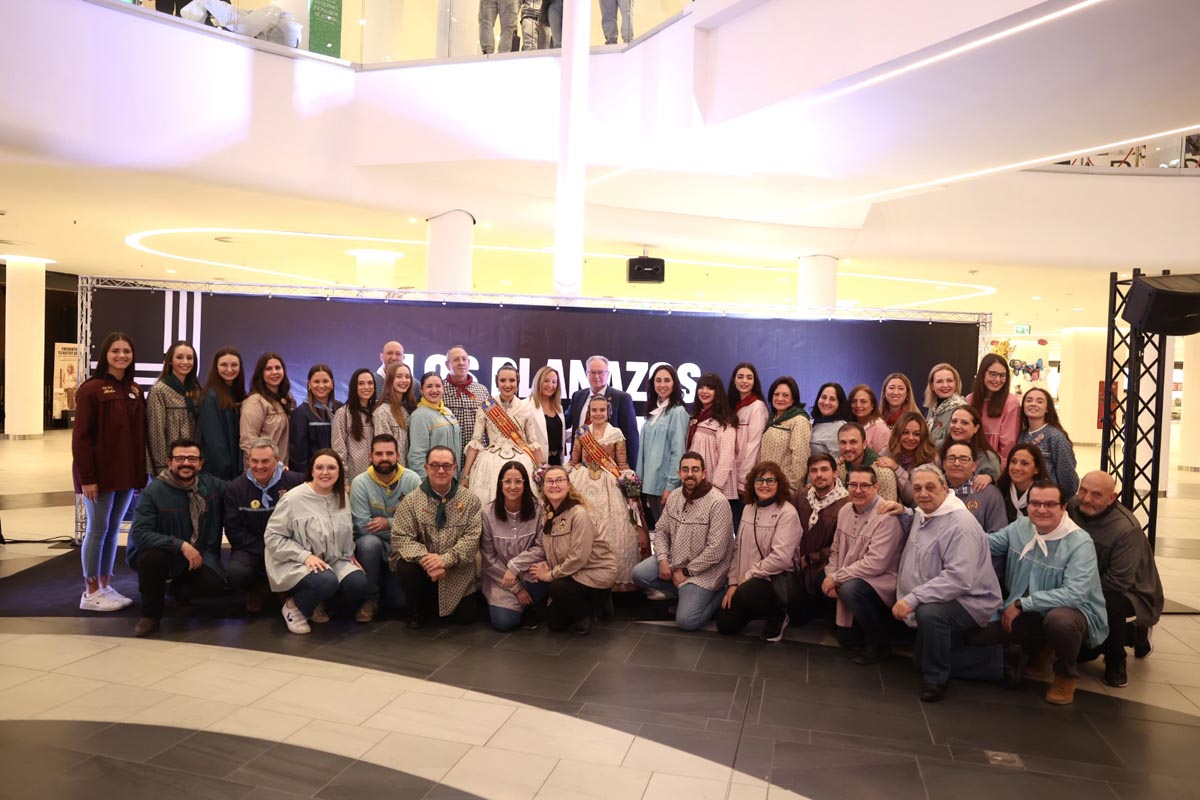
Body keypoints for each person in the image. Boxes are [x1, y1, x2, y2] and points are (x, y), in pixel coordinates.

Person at [980, 481, 1108, 705]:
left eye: (1050, 504)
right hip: (1026, 609)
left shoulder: (1080, 543)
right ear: (1027, 506)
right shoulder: (1020, 527)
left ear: (1063, 508)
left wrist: (1022, 604)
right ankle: (1039, 647)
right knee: (977, 635)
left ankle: (1066, 675)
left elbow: (1074, 594)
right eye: (1035, 503)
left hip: (1072, 613)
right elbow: (986, 543)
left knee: (1059, 621)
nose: (1041, 510)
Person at [893, 464, 1003, 702]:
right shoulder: (925, 512)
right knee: (919, 660)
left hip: (971, 600)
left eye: (930, 487)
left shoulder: (960, 524)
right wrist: (903, 511)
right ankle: (995, 663)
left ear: (945, 488)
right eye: (918, 488)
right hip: (946, 595)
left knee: (931, 615)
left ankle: (936, 679)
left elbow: (959, 579)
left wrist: (913, 597)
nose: (923, 494)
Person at [73, 332, 146, 612]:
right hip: (99, 476)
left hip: (125, 474)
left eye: (126, 351)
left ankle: (105, 584)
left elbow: (138, 437)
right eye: (115, 351)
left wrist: (139, 476)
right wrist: (87, 478)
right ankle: (90, 591)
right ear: (105, 354)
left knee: (114, 530)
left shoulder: (135, 390)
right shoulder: (91, 390)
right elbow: (81, 439)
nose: (121, 356)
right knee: (97, 529)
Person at [1069, 471, 1164, 688]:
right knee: (1082, 655)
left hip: (1132, 591)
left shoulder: (1126, 529)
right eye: (1083, 491)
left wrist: (1073, 592)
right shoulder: (1073, 507)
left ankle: (1115, 661)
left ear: (1112, 498)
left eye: (1096, 495)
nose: (1086, 499)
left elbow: (1118, 582)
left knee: (1109, 603)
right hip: (1087, 582)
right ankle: (1131, 634)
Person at [126, 439, 228, 637]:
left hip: (196, 553)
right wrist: (180, 545)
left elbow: (239, 488)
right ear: (170, 462)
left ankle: (179, 590)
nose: (186, 463)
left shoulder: (209, 485)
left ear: (201, 463)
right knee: (151, 559)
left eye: (192, 458)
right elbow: (140, 533)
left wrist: (279, 473)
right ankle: (150, 614)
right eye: (180, 458)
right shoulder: (154, 491)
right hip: (163, 553)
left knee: (214, 585)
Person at [265, 449, 369, 635]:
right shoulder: (293, 499)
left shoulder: (342, 497)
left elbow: (346, 530)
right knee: (326, 580)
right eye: (319, 467)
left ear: (339, 472)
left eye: (331, 468)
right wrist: (304, 556)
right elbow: (273, 537)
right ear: (311, 471)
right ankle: (293, 607)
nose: (325, 472)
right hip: (296, 560)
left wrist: (349, 554)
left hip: (332, 559)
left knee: (358, 582)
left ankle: (318, 604)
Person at [631, 452, 734, 630]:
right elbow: (662, 530)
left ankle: (718, 593)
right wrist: (663, 559)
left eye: (695, 469)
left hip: (705, 572)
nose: (690, 474)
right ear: (679, 473)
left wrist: (686, 572)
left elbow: (716, 550)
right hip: (675, 561)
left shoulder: (718, 503)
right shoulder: (676, 496)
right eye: (685, 470)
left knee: (687, 622)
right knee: (639, 574)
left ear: (704, 473)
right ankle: (684, 593)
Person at [389, 445, 482, 627]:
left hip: (456, 571)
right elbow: (401, 537)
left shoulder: (471, 500)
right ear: (426, 468)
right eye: (435, 465)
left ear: (455, 468)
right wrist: (427, 560)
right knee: (404, 566)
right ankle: (416, 609)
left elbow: (472, 540)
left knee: (466, 618)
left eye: (446, 466)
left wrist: (445, 560)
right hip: (423, 571)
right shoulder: (411, 500)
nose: (441, 470)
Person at [823, 465, 905, 664]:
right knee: (846, 640)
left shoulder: (886, 516)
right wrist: (829, 574)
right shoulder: (844, 510)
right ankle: (849, 626)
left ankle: (879, 643)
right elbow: (835, 550)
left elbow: (875, 564)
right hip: (850, 574)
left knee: (851, 589)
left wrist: (837, 577)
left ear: (876, 487)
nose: (858, 490)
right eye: (853, 485)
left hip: (880, 582)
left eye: (864, 486)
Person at [528, 465, 617, 635]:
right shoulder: (548, 514)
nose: (554, 485)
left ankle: (591, 610)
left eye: (559, 480)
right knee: (553, 622)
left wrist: (550, 575)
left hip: (594, 571)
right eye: (549, 481)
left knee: (556, 588)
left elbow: (579, 558)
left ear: (569, 485)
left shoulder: (579, 514)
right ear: (543, 487)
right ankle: (593, 603)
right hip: (571, 572)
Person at [717, 461, 800, 642]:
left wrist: (749, 575)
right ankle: (753, 607)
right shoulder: (748, 509)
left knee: (748, 592)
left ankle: (778, 616)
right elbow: (737, 548)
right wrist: (732, 583)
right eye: (759, 480)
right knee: (725, 625)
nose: (764, 485)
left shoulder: (787, 513)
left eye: (770, 480)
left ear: (779, 484)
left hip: (774, 581)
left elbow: (781, 559)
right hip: (746, 582)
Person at [569, 394, 645, 591]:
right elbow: (574, 461)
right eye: (594, 410)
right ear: (589, 412)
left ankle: (615, 580)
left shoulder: (616, 433)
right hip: (584, 482)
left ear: (608, 412)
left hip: (609, 482)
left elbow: (622, 464)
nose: (598, 413)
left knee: (615, 529)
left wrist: (628, 481)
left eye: (602, 410)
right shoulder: (581, 433)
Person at [223, 438, 303, 612]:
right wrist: (267, 548)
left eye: (265, 461)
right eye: (254, 461)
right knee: (236, 573)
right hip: (250, 547)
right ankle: (256, 589)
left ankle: (288, 593)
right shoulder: (236, 488)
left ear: (277, 460)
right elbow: (233, 530)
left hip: (288, 544)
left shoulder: (295, 482)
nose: (259, 466)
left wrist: (283, 547)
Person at [350, 434, 421, 622]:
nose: (384, 458)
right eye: (379, 453)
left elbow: (418, 522)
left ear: (398, 455)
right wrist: (399, 522)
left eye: (389, 453)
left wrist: (387, 522)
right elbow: (363, 526)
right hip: (374, 545)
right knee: (367, 543)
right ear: (370, 456)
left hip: (402, 546)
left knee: (398, 603)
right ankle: (370, 599)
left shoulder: (412, 480)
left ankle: (385, 584)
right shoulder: (360, 483)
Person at [462, 363, 542, 505]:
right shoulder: (486, 406)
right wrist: (466, 475)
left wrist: (543, 472)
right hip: (489, 462)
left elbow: (533, 442)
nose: (507, 384)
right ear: (497, 382)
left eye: (512, 380)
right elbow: (476, 441)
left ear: (518, 382)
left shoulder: (525, 407)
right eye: (503, 380)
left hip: (521, 459)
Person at [481, 462, 548, 631]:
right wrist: (517, 588)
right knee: (504, 623)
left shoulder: (539, 508)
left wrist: (515, 566)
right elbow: (489, 558)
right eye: (507, 482)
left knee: (538, 579)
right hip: (501, 578)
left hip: (529, 572)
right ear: (500, 484)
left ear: (525, 483)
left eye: (518, 481)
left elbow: (541, 547)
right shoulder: (488, 514)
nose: (513, 487)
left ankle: (533, 605)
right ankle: (521, 605)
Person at [788, 453, 849, 626]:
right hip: (801, 565)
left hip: (827, 565)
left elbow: (840, 546)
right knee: (796, 618)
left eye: (824, 469)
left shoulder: (846, 503)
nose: (819, 475)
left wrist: (811, 558)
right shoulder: (802, 496)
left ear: (835, 473)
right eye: (813, 471)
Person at [636, 364, 690, 527]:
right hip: (650, 486)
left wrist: (670, 486)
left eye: (667, 380)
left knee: (670, 533)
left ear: (674, 384)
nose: (662, 384)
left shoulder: (678, 412)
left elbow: (678, 452)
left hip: (665, 486)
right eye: (658, 380)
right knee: (661, 532)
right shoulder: (655, 411)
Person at [567, 355, 640, 466]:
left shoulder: (622, 398)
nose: (596, 376)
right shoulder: (578, 396)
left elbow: (631, 437)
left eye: (600, 372)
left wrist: (631, 471)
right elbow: (565, 421)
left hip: (609, 468)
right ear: (586, 373)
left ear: (608, 374)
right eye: (592, 372)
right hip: (579, 466)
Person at [146, 340, 201, 474]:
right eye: (179, 357)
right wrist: (162, 468)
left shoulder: (196, 390)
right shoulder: (159, 390)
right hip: (170, 464)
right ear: (170, 361)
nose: (185, 362)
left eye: (189, 358)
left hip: (191, 461)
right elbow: (156, 432)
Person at [728, 363, 769, 528]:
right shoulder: (734, 406)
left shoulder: (757, 406)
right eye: (740, 377)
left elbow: (754, 445)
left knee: (745, 526)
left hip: (744, 480)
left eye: (749, 377)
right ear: (733, 380)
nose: (744, 381)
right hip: (731, 477)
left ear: (755, 381)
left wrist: (744, 479)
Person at [1018, 387, 1079, 499]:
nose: (1033, 404)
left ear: (1047, 408)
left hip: (1048, 500)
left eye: (1039, 401)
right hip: (1024, 500)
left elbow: (1067, 476)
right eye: (1029, 400)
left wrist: (1059, 500)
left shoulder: (1056, 437)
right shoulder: (1021, 435)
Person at [686, 372, 738, 501]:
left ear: (718, 392)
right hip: (697, 485)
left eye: (710, 388)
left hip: (715, 490)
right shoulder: (696, 415)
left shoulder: (725, 420)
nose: (704, 391)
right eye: (701, 387)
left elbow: (726, 458)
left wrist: (715, 488)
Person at [196, 346, 245, 480]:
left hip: (235, 467)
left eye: (234, 365)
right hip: (218, 471)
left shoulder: (239, 394)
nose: (229, 369)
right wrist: (226, 467)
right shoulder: (210, 396)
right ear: (215, 367)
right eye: (224, 365)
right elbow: (213, 438)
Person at [240, 351, 295, 465]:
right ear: (261, 373)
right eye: (268, 369)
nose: (274, 372)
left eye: (277, 368)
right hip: (262, 471)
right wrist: (265, 463)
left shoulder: (287, 398)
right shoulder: (255, 401)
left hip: (282, 469)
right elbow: (248, 440)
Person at [942, 441, 1008, 533]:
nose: (957, 463)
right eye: (951, 458)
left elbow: (999, 536)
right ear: (944, 464)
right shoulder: (934, 491)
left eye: (964, 459)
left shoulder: (990, 494)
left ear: (974, 466)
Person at [966, 354, 1021, 463]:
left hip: (995, 465)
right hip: (968, 461)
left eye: (1002, 375)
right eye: (993, 374)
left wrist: (995, 470)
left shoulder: (1011, 403)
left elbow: (1008, 445)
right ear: (982, 374)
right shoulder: (970, 399)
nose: (998, 379)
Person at [407, 372, 463, 479]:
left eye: (438, 386)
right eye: (429, 386)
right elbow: (416, 456)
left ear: (443, 388)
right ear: (421, 390)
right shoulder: (419, 416)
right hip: (434, 481)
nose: (434, 390)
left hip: (452, 478)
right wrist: (426, 483)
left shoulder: (447, 411)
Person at [759, 376, 811, 490]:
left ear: (793, 399)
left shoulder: (799, 420)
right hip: (766, 484)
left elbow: (800, 459)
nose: (780, 398)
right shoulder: (772, 418)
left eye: (785, 395)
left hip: (784, 488)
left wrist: (790, 487)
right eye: (776, 394)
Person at [876, 411, 937, 507]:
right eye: (905, 433)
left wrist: (897, 469)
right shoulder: (889, 451)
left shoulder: (930, 459)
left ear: (923, 436)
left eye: (916, 434)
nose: (910, 438)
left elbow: (913, 498)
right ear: (898, 433)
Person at [289, 364, 340, 475]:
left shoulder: (340, 409)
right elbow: (298, 455)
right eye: (316, 382)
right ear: (309, 384)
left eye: (325, 381)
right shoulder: (301, 413)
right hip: (313, 475)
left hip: (338, 472)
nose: (321, 385)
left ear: (332, 384)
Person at [443, 345, 491, 454]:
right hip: (448, 455)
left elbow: (492, 423)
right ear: (447, 364)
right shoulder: (439, 390)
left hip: (478, 455)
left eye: (464, 359)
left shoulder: (483, 390)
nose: (461, 363)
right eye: (456, 360)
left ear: (468, 363)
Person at [333, 368, 377, 483]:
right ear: (354, 387)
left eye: (370, 383)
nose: (366, 387)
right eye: (361, 383)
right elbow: (339, 450)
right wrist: (345, 480)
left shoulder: (378, 412)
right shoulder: (343, 414)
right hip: (354, 479)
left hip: (378, 478)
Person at [937, 405, 1001, 485]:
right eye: (954, 421)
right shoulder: (937, 448)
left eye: (964, 423)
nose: (957, 426)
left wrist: (990, 478)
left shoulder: (987, 457)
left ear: (976, 428)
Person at [835, 422, 898, 502]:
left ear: (864, 444)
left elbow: (888, 512)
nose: (847, 448)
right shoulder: (840, 469)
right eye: (843, 443)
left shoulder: (882, 472)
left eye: (853, 442)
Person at [371, 362, 412, 470]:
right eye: (399, 376)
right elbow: (383, 449)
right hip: (393, 473)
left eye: (407, 377)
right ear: (390, 380)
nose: (404, 380)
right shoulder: (382, 412)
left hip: (408, 474)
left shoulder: (407, 409)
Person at [997, 443, 1049, 523]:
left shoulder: (1046, 494)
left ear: (1037, 469)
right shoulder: (1002, 488)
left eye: (1024, 463)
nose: (1017, 468)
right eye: (1013, 462)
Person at [529, 365, 568, 466]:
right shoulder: (526, 406)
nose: (550, 385)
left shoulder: (559, 407)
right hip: (535, 462)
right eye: (546, 381)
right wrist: (541, 464)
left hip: (557, 461)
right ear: (538, 381)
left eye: (554, 382)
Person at [924, 363, 967, 448]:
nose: (945, 385)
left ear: (956, 384)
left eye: (949, 381)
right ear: (932, 386)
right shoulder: (932, 407)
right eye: (939, 381)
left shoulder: (962, 409)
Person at [810, 382, 853, 456]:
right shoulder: (811, 422)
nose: (826, 402)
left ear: (840, 403)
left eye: (832, 399)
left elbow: (839, 462)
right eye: (823, 397)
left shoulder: (843, 428)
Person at [849, 384, 890, 454]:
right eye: (854, 401)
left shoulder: (881, 429)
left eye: (863, 401)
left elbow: (884, 460)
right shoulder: (848, 425)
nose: (858, 405)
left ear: (872, 406)